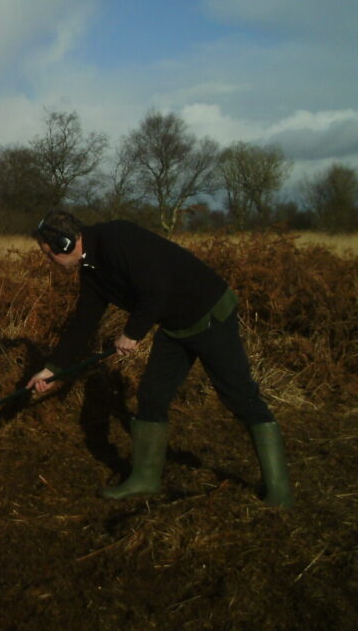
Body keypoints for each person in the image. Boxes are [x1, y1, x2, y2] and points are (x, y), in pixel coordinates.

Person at [27, 210, 293, 508]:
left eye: (49, 255)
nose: (49, 261)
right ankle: (145, 481)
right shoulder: (91, 270)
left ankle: (279, 490)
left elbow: (157, 290)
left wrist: (132, 333)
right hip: (175, 326)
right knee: (151, 396)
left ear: (65, 244)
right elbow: (84, 323)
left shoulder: (118, 238)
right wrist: (51, 369)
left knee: (240, 396)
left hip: (210, 315)